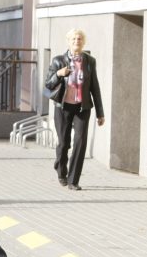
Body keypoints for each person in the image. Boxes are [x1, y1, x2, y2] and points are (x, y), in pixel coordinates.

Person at [44, 28, 105, 191]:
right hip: (63, 107)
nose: (76, 42)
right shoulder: (58, 60)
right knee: (64, 143)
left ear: (83, 42)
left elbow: (95, 87)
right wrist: (59, 73)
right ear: (68, 42)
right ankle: (61, 169)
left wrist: (100, 112)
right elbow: (48, 84)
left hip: (82, 107)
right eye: (73, 39)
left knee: (80, 142)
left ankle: (73, 180)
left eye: (79, 39)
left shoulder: (90, 61)